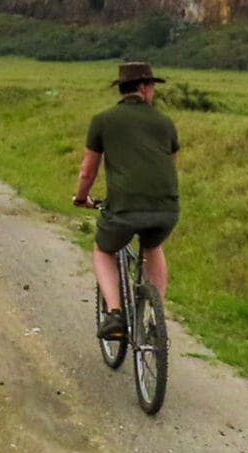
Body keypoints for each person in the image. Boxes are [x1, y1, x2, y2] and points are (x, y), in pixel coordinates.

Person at [73, 62, 180, 342]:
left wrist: (81, 198)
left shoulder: (103, 120)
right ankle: (156, 322)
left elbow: (87, 171)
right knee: (153, 247)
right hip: (166, 209)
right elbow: (171, 166)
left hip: (124, 209)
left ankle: (115, 313)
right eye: (153, 87)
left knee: (102, 250)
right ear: (144, 88)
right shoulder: (165, 122)